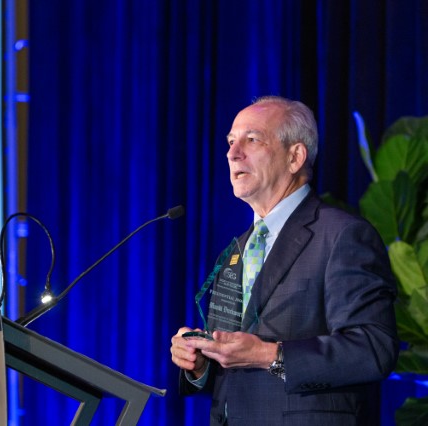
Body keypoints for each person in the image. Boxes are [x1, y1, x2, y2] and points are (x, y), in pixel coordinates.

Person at [170, 96, 398, 425]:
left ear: (295, 157)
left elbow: (374, 350)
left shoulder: (343, 235)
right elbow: (234, 370)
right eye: (231, 142)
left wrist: (268, 354)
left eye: (252, 139)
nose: (232, 154)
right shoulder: (237, 250)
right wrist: (201, 362)